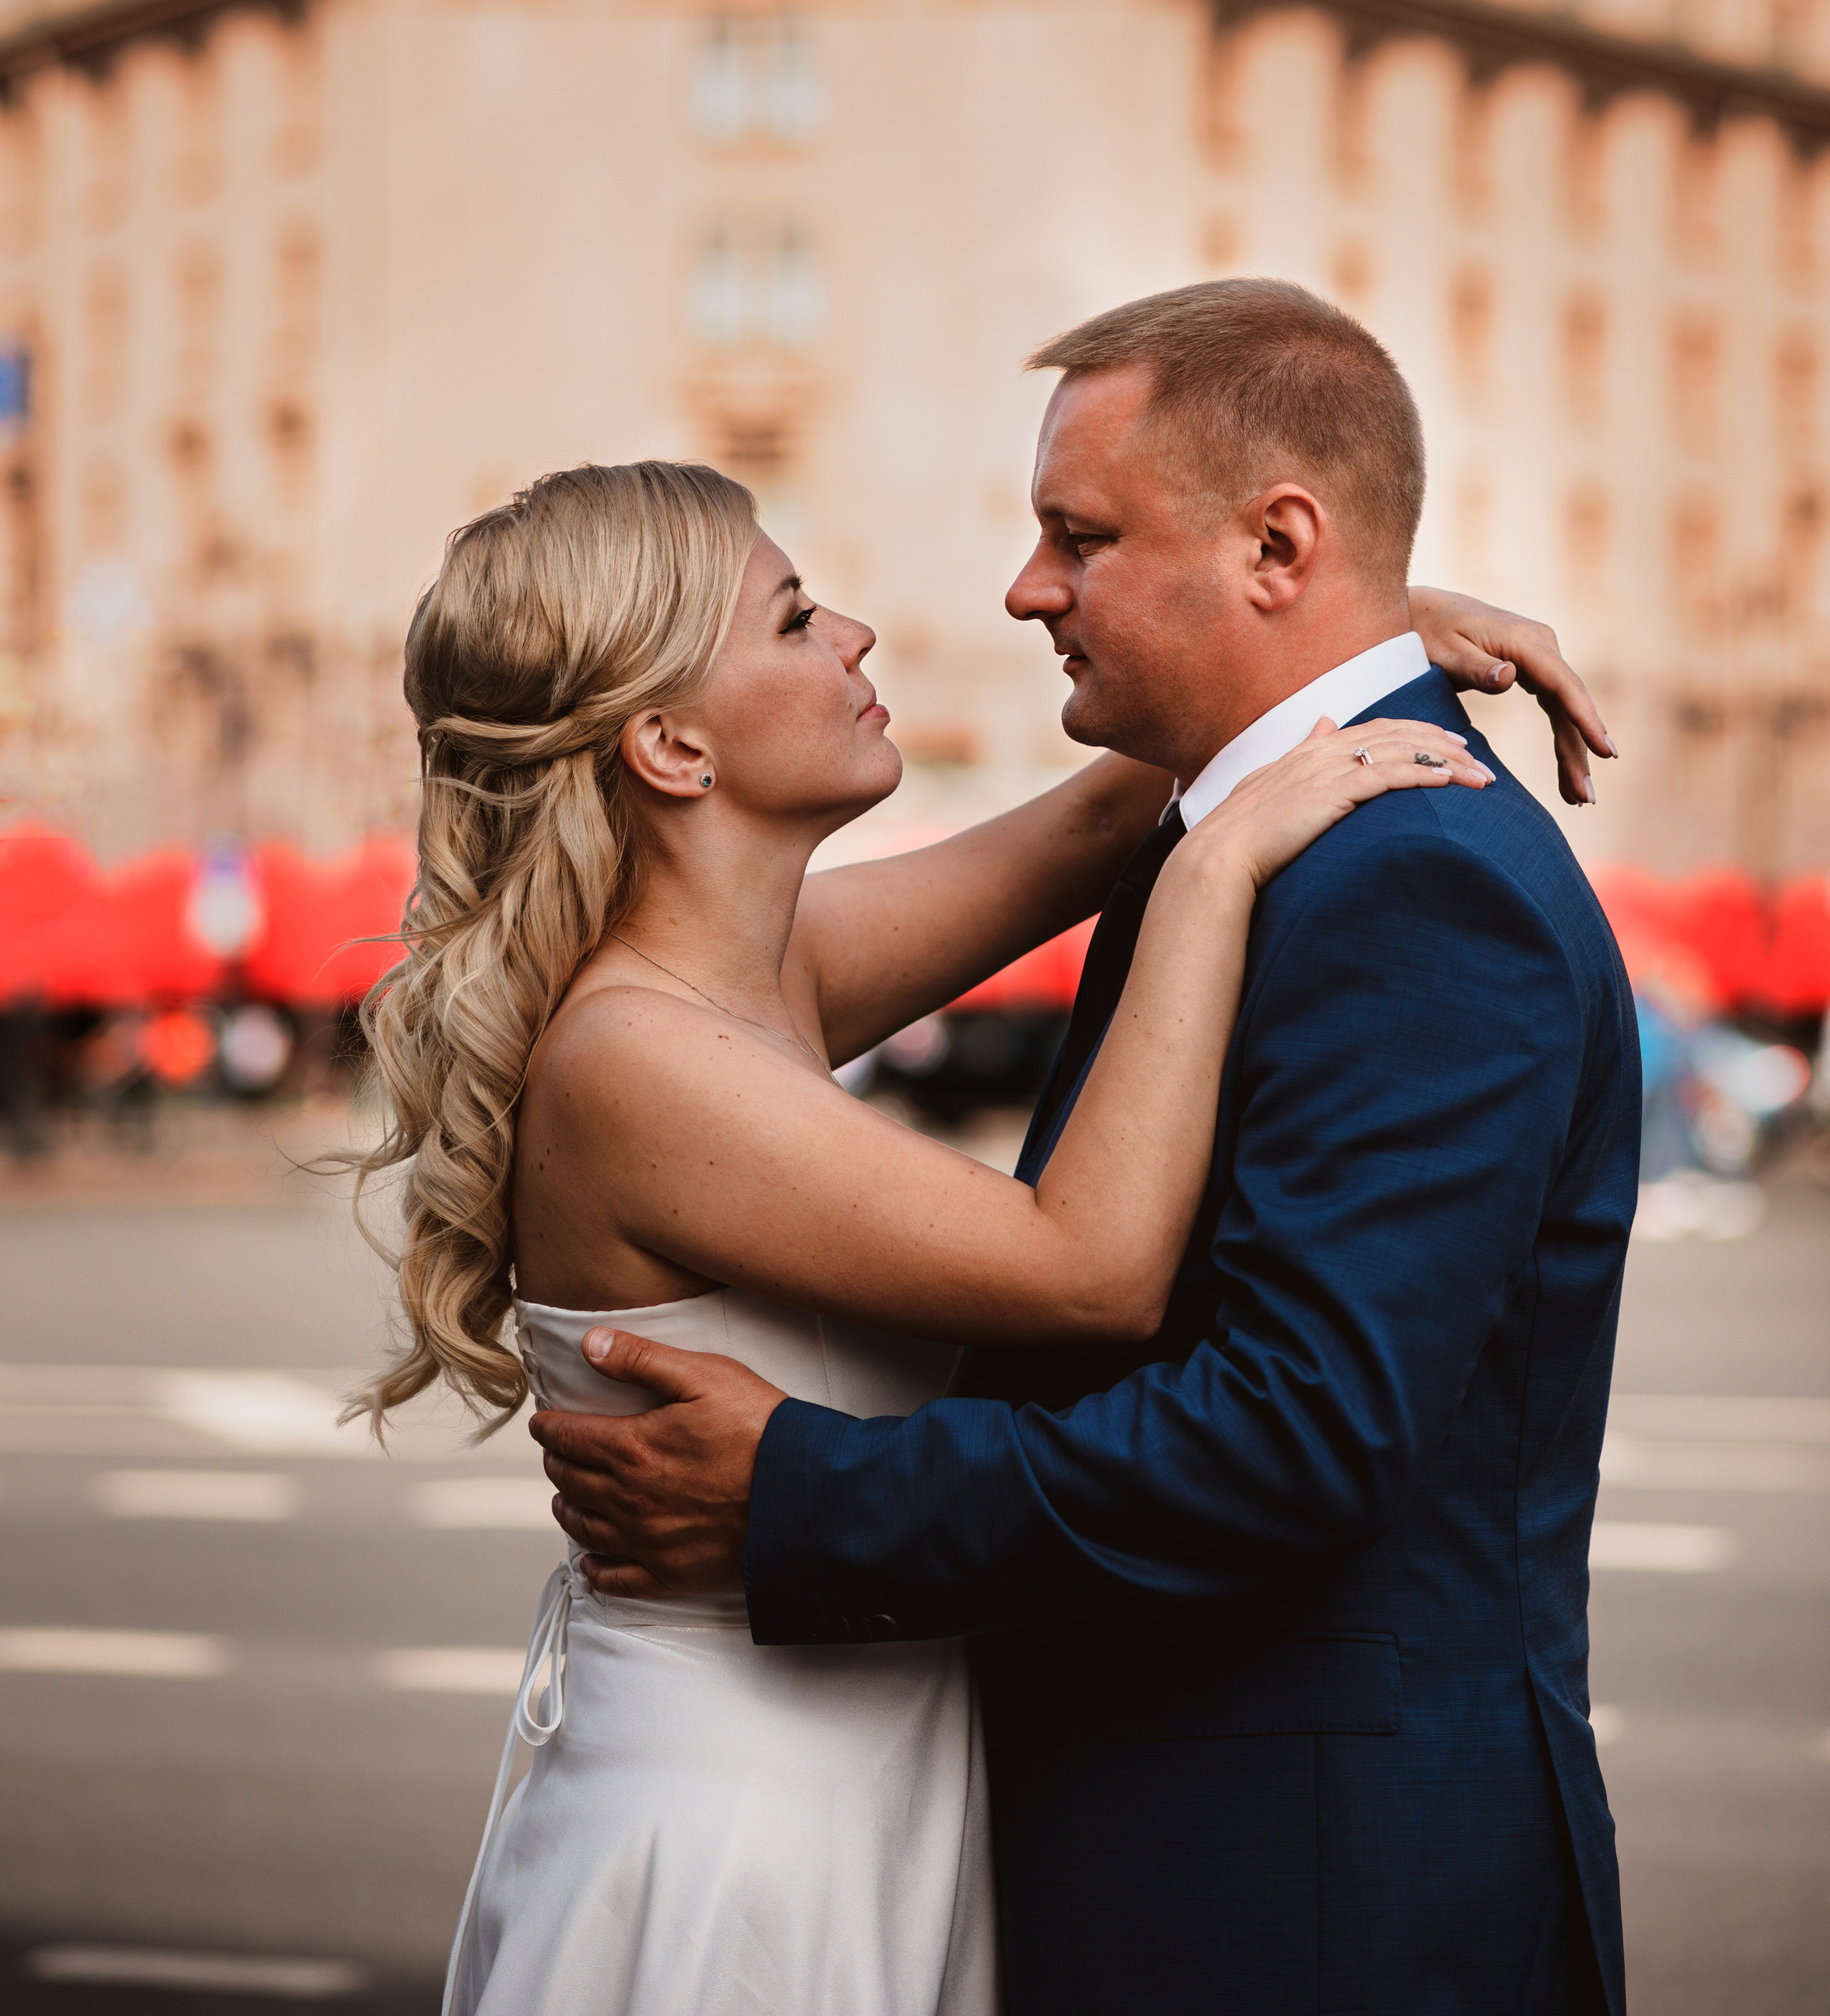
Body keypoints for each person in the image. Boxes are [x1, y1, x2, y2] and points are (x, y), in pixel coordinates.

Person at [538, 281, 1638, 2016]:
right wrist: (1331, 643)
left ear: (1277, 544)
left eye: (1078, 535)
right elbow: (1092, 1255)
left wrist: (803, 1495)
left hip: (1310, 1889)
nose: (1013, 588)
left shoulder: (1400, 876)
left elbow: (1296, 1431)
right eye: (793, 619)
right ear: (665, 745)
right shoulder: (675, 1022)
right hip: (966, 1832)